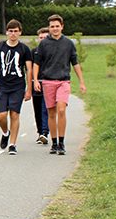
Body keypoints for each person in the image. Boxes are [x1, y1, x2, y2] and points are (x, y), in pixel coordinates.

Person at [32, 14, 86, 156]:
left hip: (63, 81)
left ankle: (61, 142)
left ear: (62, 26)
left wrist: (81, 82)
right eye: (52, 27)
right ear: (49, 28)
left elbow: (75, 63)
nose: (55, 29)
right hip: (48, 81)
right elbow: (36, 63)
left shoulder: (68, 43)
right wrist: (36, 80)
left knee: (61, 110)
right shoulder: (44, 44)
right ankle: (54, 142)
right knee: (51, 113)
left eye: (57, 26)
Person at [0, 19, 33, 155]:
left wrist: (29, 90)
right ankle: (5, 132)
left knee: (14, 114)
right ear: (7, 32)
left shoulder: (24, 49)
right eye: (10, 31)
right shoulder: (0, 47)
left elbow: (29, 70)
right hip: (2, 86)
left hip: (18, 86)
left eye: (16, 31)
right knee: (1, 115)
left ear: (20, 32)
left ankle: (12, 144)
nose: (13, 34)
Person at [31, 26, 50, 145]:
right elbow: (30, 68)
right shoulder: (34, 51)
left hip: (48, 83)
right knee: (37, 109)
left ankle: (45, 132)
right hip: (36, 83)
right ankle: (40, 132)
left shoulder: (52, 51)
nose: (42, 39)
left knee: (45, 109)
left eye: (45, 37)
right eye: (40, 37)